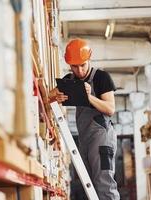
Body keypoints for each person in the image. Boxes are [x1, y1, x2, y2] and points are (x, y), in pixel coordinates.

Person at [49, 39, 120, 200]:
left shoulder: (102, 77)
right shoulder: (70, 80)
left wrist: (88, 96)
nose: (79, 71)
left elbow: (110, 109)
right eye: (75, 66)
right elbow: (48, 96)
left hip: (102, 138)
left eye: (83, 65)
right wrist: (55, 96)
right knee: (90, 186)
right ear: (69, 64)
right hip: (84, 139)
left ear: (89, 59)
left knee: (104, 184)